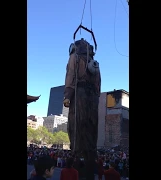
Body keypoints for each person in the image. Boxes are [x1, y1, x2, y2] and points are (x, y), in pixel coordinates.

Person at [64, 38, 101, 180]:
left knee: (76, 127)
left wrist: (67, 95)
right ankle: (89, 161)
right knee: (91, 129)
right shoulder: (95, 63)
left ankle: (77, 159)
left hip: (79, 95)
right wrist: (96, 97)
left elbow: (70, 75)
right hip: (93, 99)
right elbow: (98, 84)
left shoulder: (74, 57)